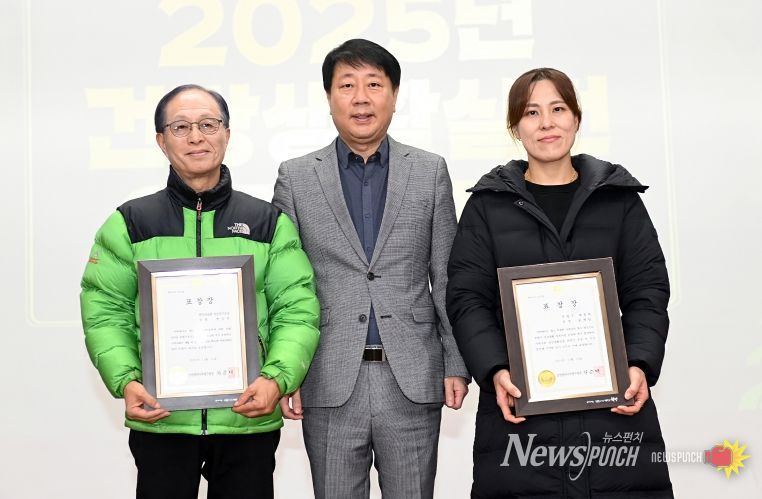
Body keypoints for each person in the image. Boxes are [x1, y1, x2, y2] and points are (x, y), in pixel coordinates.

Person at [80, 84, 320, 499]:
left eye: (208, 125)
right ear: (161, 140)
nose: (196, 137)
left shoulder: (267, 222)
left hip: (247, 418)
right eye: (181, 127)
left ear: (227, 134)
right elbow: (105, 311)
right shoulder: (129, 223)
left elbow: (297, 308)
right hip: (162, 417)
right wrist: (128, 381)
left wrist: (276, 379)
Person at [446, 68, 673, 498]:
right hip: (519, 415)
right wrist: (496, 369)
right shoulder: (487, 207)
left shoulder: (618, 199)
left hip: (613, 409)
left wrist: (639, 363)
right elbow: (466, 299)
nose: (546, 123)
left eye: (558, 109)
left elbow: (647, 291)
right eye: (531, 113)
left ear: (576, 118)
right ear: (515, 127)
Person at [272, 39, 469, 499]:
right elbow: (283, 286)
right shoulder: (296, 177)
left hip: (413, 376)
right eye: (347, 85)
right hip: (327, 375)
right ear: (329, 98)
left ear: (394, 96)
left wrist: (455, 361)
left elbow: (446, 274)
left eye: (374, 85)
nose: (361, 98)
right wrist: (285, 370)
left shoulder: (429, 171)